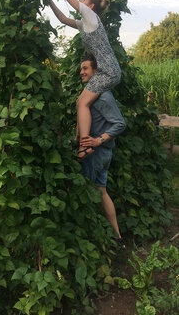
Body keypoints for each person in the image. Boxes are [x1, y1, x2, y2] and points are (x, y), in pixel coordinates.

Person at [42, 0, 121, 161]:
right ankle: (81, 139)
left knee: (81, 104)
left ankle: (85, 145)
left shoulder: (91, 16)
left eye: (84, 0)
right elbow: (62, 19)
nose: (81, 2)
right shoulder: (85, 23)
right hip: (107, 71)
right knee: (81, 103)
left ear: (91, 6)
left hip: (108, 71)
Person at [79, 53, 126, 246]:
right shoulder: (94, 94)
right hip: (103, 153)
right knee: (101, 191)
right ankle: (116, 235)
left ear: (96, 72)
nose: (81, 72)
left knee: (86, 193)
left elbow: (120, 124)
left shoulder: (103, 96)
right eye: (81, 68)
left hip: (96, 153)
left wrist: (98, 140)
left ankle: (88, 239)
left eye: (85, 68)